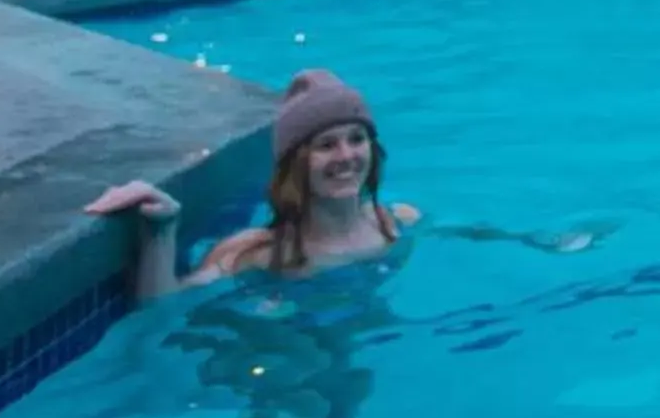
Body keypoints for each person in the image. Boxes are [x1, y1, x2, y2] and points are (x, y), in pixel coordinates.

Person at [86, 69, 419, 297]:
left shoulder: (396, 222)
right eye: (326, 145)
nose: (347, 156)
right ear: (295, 164)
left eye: (357, 139)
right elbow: (162, 308)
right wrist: (161, 232)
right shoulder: (259, 252)